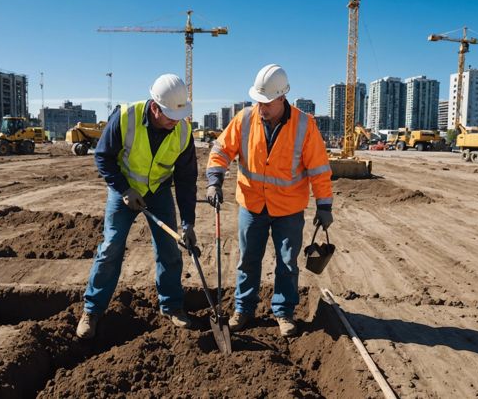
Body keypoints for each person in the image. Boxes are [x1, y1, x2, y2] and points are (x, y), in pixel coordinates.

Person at [206, 64, 333, 337]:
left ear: (281, 98)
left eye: (266, 102)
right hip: (252, 205)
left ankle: (284, 312)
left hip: (288, 209)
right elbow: (221, 150)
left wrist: (324, 205)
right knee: (248, 259)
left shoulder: (304, 125)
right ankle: (243, 308)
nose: (260, 106)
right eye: (257, 100)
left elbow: (319, 168)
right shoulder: (244, 119)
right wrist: (214, 181)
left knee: (287, 264)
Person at [76, 74, 198, 339]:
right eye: (169, 116)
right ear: (154, 107)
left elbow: (187, 180)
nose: (174, 122)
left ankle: (172, 306)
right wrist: (123, 189)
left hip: (159, 190)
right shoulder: (125, 117)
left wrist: (188, 222)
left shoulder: (183, 131)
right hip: (124, 190)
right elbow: (103, 157)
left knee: (169, 249)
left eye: (178, 116)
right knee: (111, 246)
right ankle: (92, 310)